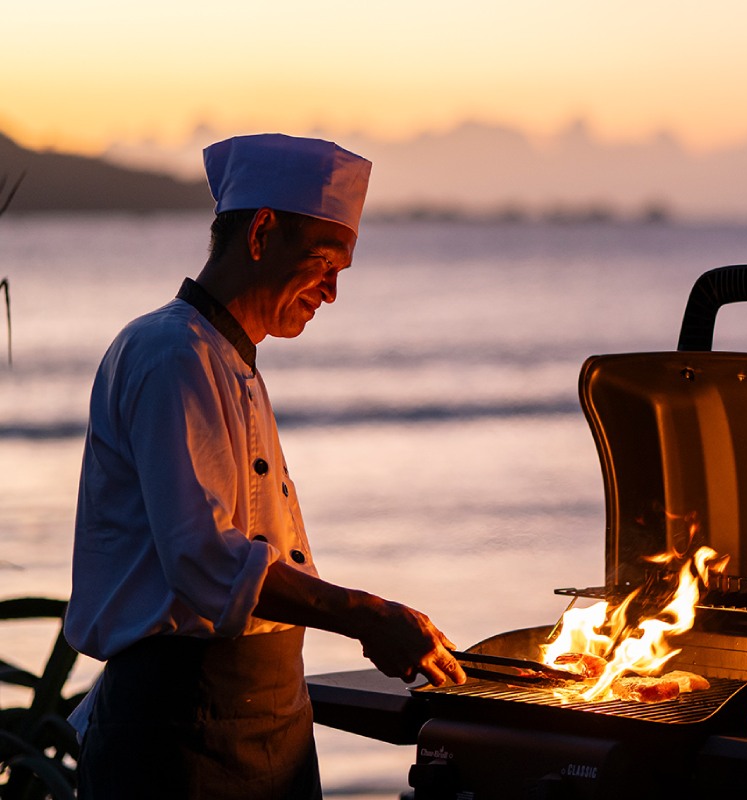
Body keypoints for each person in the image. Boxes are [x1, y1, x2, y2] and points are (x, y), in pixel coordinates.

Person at [64, 133, 467, 800]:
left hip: (266, 716)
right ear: (261, 234)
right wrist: (367, 615)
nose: (332, 293)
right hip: (182, 729)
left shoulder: (230, 359)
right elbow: (203, 561)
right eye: (323, 263)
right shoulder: (171, 355)